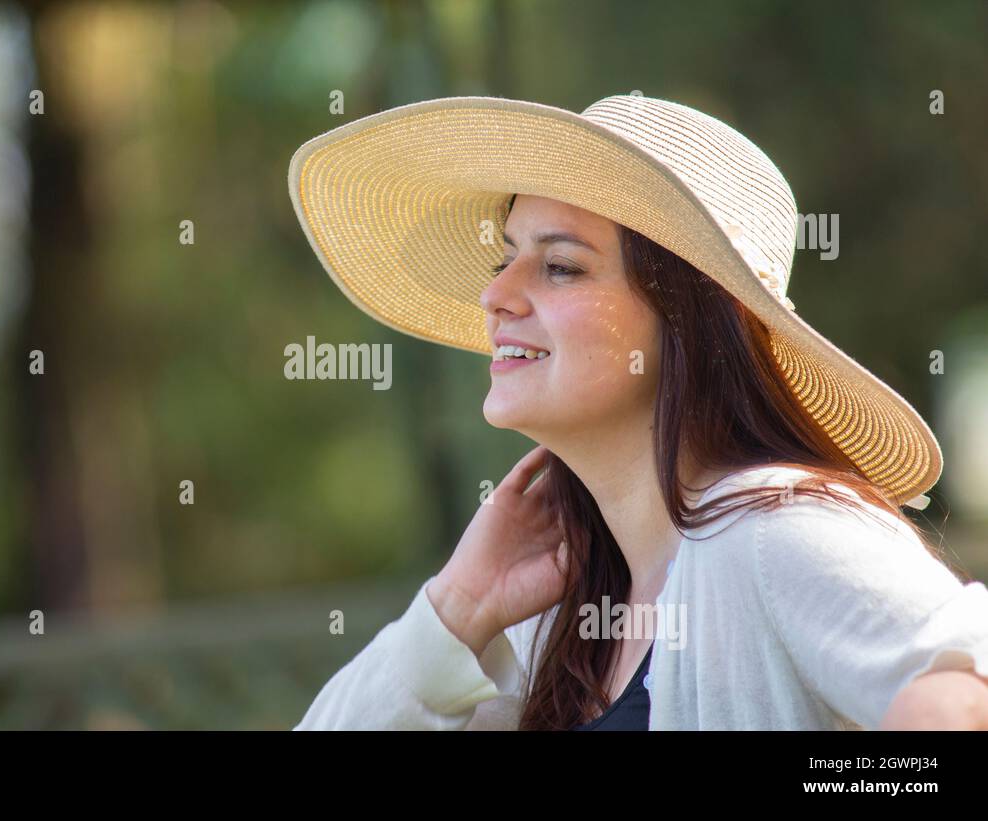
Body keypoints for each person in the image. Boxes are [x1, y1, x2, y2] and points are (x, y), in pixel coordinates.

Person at [285, 94, 988, 730]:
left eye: (560, 266)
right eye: (504, 260)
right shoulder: (558, 620)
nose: (495, 296)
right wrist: (460, 607)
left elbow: (966, 703)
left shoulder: (775, 528)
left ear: (685, 319)